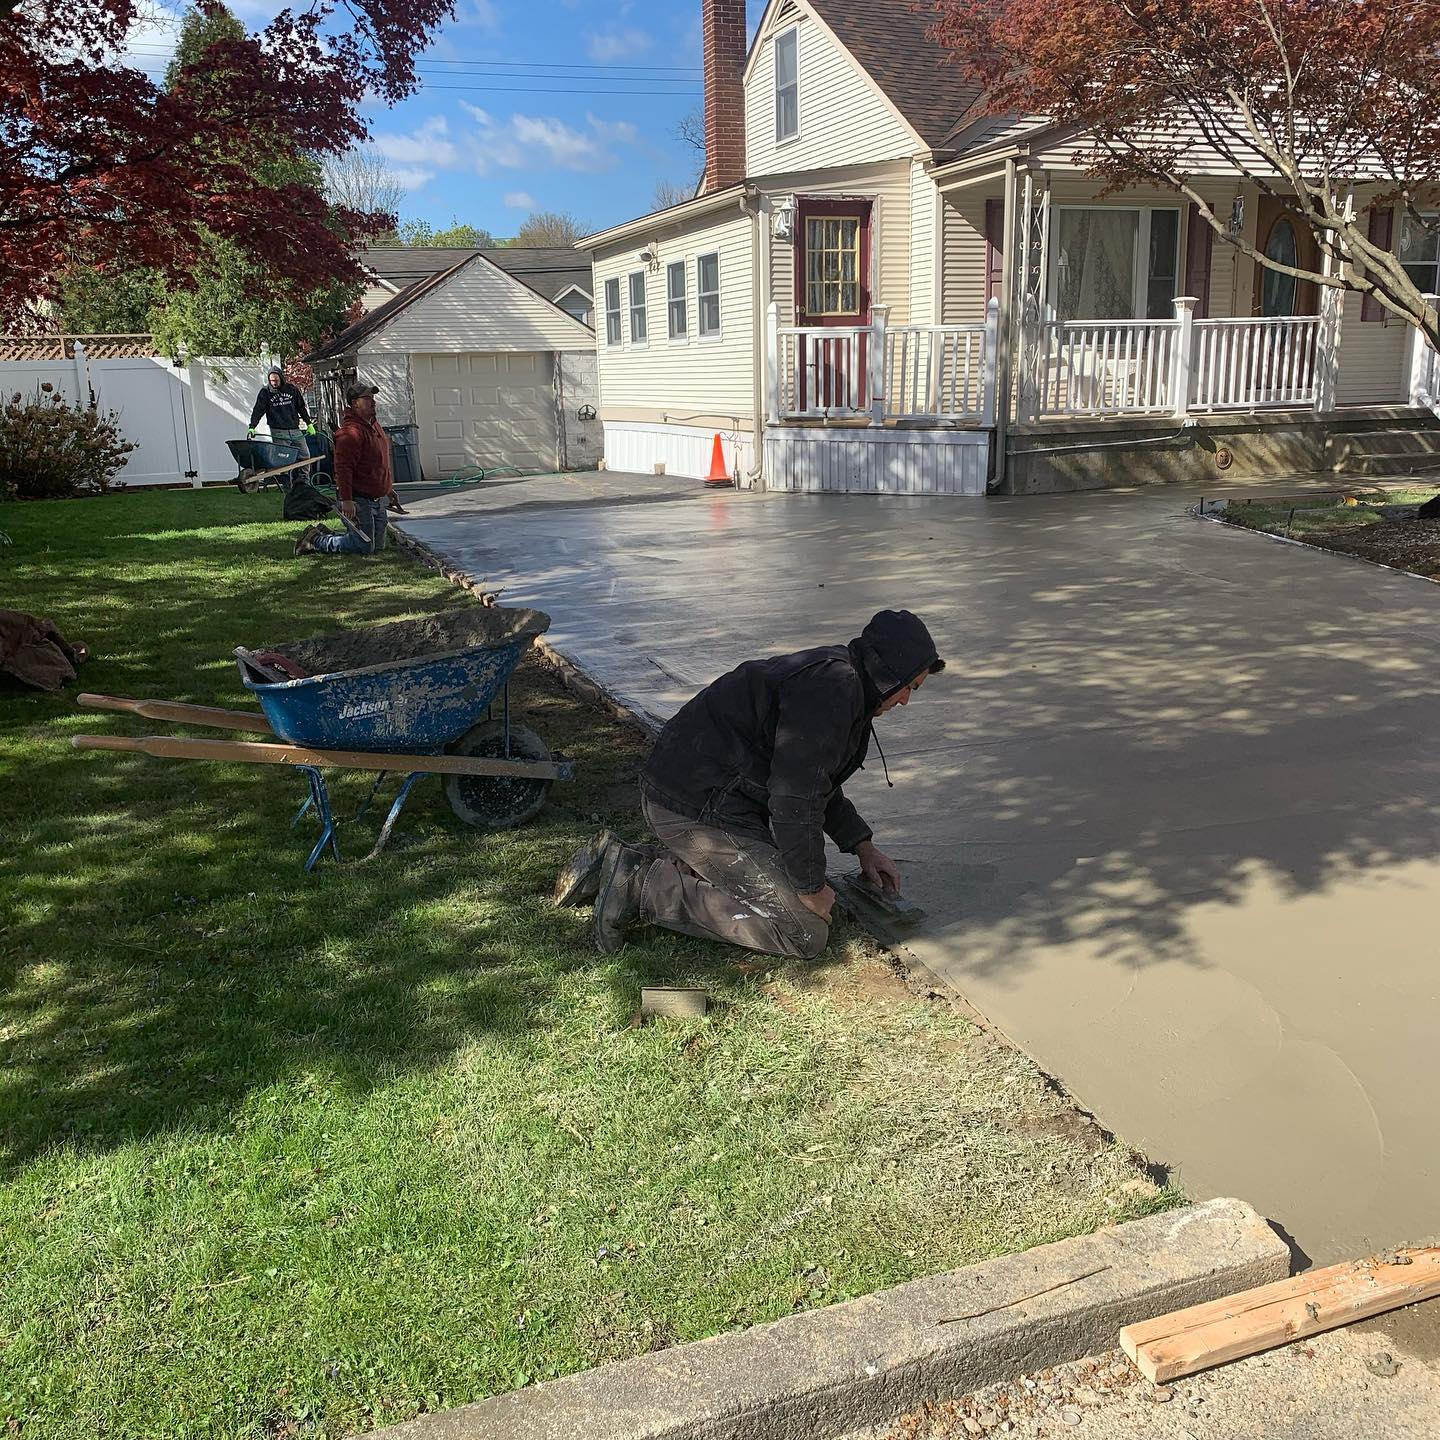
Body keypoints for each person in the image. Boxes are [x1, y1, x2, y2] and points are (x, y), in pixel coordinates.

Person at [554, 610, 944, 957]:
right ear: (885, 672)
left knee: (792, 881)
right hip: (694, 805)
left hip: (700, 795)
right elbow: (796, 796)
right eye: (909, 687)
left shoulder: (842, 680)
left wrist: (863, 846)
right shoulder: (834, 690)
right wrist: (809, 889)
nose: (907, 700)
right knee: (803, 930)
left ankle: (624, 860)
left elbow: (815, 780)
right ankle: (640, 884)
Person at [294, 382, 394, 557]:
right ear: (355, 403)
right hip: (358, 500)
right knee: (364, 547)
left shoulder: (374, 426)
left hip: (376, 500)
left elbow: (380, 462)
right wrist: (347, 500)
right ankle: (315, 541)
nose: (373, 402)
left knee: (377, 547)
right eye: (367, 398)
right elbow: (343, 468)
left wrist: (388, 489)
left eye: (373, 398)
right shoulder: (350, 432)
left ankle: (322, 533)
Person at [248, 367, 315, 452]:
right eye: (272, 381)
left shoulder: (292, 389)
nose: (274, 383)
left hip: (294, 429)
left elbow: (301, 407)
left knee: (305, 455)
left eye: (276, 380)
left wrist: (309, 423)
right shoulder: (265, 392)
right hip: (278, 432)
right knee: (285, 457)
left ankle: (304, 466)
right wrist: (252, 426)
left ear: (281, 378)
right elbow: (258, 411)